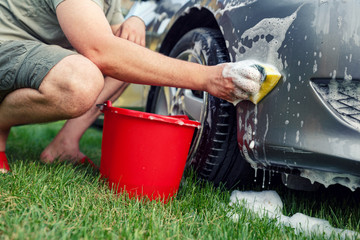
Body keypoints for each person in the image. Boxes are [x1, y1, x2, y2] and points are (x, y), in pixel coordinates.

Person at [0, 0, 262, 173]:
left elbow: (113, 36)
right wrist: (207, 78)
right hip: (5, 46)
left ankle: (64, 145)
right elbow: (100, 50)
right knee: (80, 81)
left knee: (129, 48)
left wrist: (134, 21)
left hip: (29, 55)